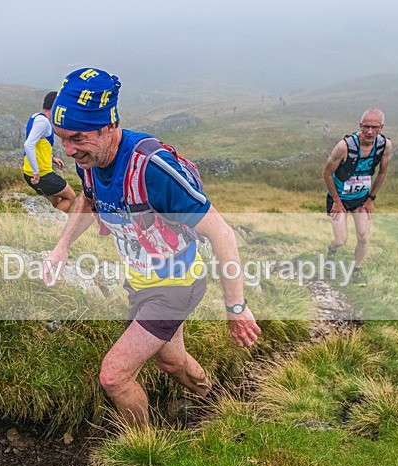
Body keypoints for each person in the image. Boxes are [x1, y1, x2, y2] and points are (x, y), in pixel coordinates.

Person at [43, 68, 260, 427]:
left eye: (77, 138)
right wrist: (62, 245)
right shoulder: (91, 161)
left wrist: (236, 307)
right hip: (142, 281)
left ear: (108, 126)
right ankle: (220, 400)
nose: (68, 150)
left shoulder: (152, 168)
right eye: (61, 138)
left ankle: (144, 452)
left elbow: (222, 233)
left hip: (177, 284)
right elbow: (89, 198)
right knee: (171, 360)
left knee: (114, 375)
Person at [323, 108, 392, 287]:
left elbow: (382, 173)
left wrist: (371, 199)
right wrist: (337, 201)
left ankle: (356, 271)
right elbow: (327, 173)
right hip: (340, 198)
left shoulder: (385, 146)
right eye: (366, 127)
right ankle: (330, 253)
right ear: (360, 126)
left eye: (375, 127)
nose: (370, 131)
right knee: (341, 240)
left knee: (363, 237)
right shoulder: (344, 146)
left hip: (361, 198)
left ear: (381, 128)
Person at [22, 91, 76, 212]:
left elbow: (37, 144)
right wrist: (36, 173)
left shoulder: (35, 117)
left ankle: (48, 225)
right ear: (55, 106)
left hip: (29, 171)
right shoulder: (43, 122)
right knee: (70, 196)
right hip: (41, 174)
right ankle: (55, 225)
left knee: (55, 202)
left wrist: (52, 158)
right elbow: (29, 144)